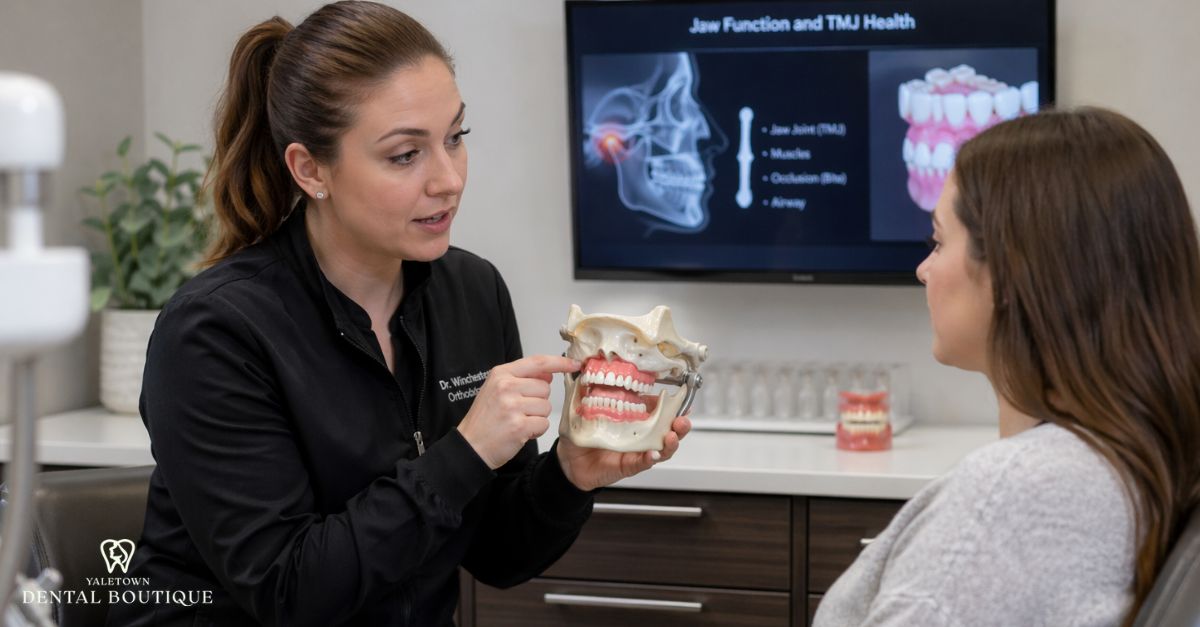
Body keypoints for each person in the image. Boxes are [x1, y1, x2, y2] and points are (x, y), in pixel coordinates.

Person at [106, 3, 690, 625]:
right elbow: (289, 591)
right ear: (310, 169)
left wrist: (570, 475)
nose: (449, 179)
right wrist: (466, 451)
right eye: (405, 155)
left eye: (455, 138)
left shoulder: (472, 290)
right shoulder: (215, 330)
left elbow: (497, 555)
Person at [814, 107, 1200, 626]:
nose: (924, 270)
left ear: (1013, 271)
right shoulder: (1146, 448)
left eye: (939, 240)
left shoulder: (1016, 493)